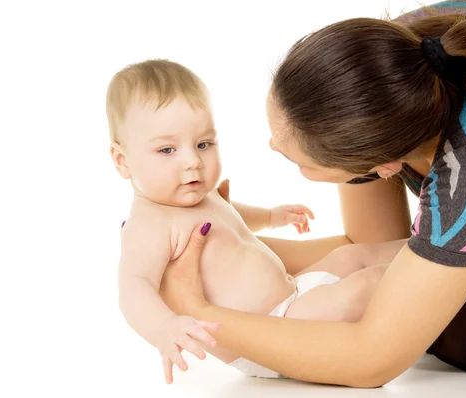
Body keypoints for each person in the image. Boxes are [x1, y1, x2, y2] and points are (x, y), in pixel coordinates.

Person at [159, 0, 466, 387]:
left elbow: (372, 361)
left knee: (461, 330)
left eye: (302, 163)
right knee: (387, 277)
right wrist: (219, 244)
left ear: (385, 167)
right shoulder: (393, 58)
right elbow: (369, 242)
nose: (271, 146)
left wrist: (195, 311)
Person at [106, 59, 407, 384]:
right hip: (269, 334)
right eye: (167, 150)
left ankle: (425, 248)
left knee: (356, 255)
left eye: (203, 144)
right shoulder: (148, 225)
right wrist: (163, 328)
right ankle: (433, 293)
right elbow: (133, 287)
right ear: (123, 161)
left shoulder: (201, 198)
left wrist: (271, 216)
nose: (192, 161)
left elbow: (233, 217)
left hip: (294, 297)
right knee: (369, 283)